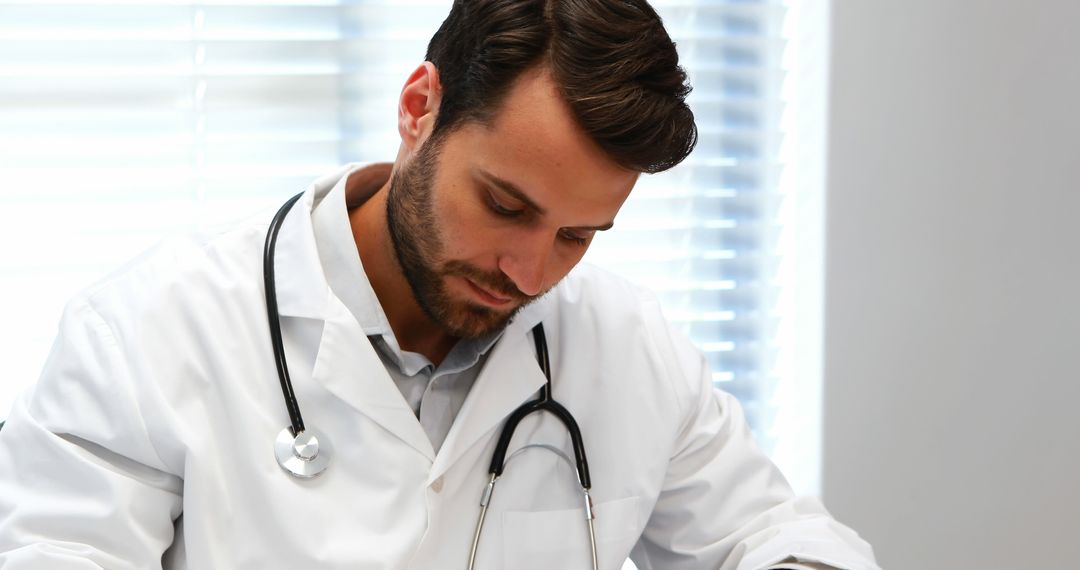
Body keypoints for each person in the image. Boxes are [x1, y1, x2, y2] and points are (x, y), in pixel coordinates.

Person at [0, 1, 879, 568]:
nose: (529, 272)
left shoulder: (626, 349)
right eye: (504, 205)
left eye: (578, 235)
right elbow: (55, 552)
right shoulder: (153, 332)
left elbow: (770, 536)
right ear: (421, 106)